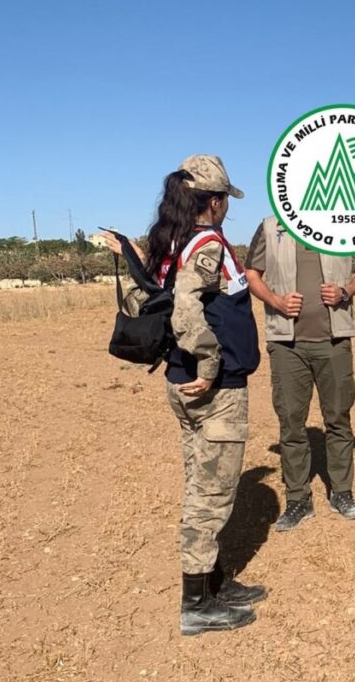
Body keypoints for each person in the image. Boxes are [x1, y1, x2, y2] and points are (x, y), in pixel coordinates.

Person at [106, 154, 265, 636]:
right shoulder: (206, 246)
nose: (225, 210)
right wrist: (211, 363)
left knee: (201, 480)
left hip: (183, 383)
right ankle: (196, 604)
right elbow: (186, 310)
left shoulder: (173, 242)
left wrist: (130, 255)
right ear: (213, 202)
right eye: (224, 201)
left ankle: (213, 582)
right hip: (211, 388)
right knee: (209, 497)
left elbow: (151, 294)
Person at [244, 217, 355, 528]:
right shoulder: (270, 226)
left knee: (339, 418)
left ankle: (342, 492)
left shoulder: (342, 224)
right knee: (290, 423)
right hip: (287, 345)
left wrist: (345, 291)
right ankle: (298, 499)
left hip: (334, 341)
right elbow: (251, 274)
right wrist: (276, 300)